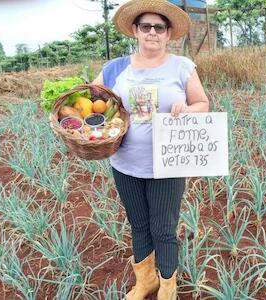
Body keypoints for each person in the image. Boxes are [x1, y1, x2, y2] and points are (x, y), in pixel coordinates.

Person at [92, 0, 209, 299]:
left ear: (169, 34)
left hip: (168, 162)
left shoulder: (182, 67)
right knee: (139, 225)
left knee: (164, 228)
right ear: (135, 30)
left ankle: (167, 284)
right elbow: (90, 100)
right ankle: (146, 281)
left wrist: (188, 111)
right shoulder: (115, 68)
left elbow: (203, 104)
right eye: (146, 26)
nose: (152, 32)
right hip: (126, 163)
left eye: (160, 27)